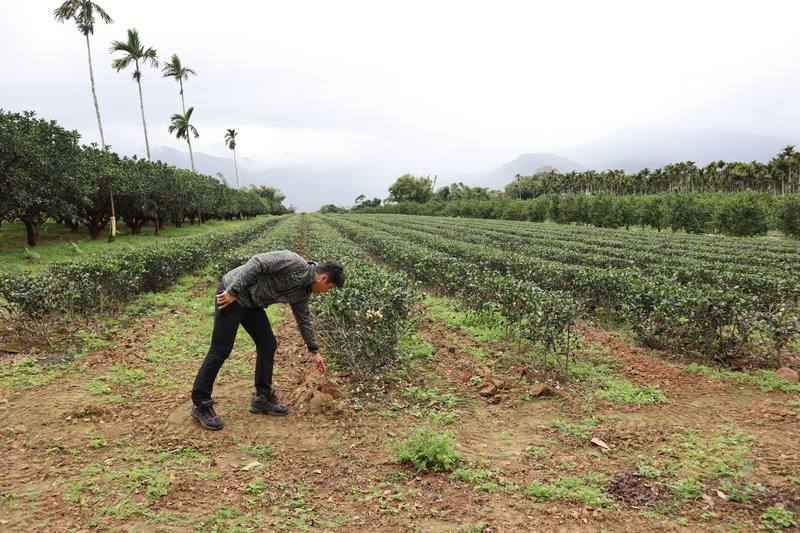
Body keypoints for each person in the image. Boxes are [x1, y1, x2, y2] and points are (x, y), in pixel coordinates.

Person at [190, 249, 344, 430]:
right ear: (323, 278)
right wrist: (233, 290)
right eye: (330, 288)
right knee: (221, 349)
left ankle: (262, 398)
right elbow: (256, 262)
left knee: (268, 343)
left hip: (252, 304)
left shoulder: (302, 293)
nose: (326, 292)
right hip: (232, 295)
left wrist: (314, 351)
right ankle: (201, 403)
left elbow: (303, 320)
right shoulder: (293, 262)